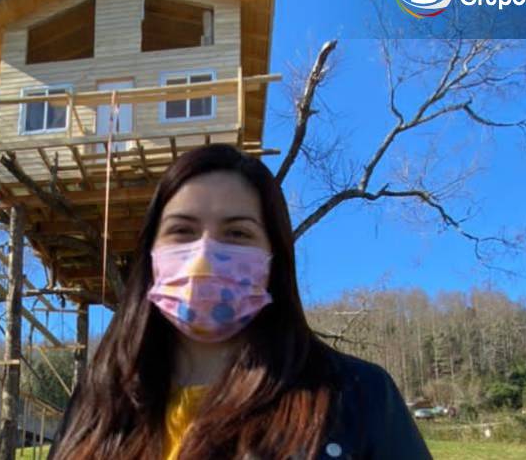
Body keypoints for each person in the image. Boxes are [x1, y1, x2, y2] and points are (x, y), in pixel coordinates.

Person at [48, 144, 431, 459]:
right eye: (182, 230)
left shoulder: (358, 396)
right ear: (150, 253)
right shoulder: (95, 401)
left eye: (236, 233)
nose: (203, 257)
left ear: (273, 259)